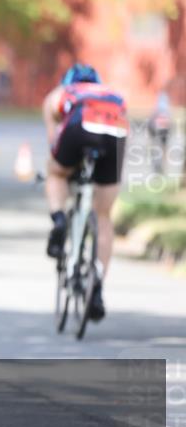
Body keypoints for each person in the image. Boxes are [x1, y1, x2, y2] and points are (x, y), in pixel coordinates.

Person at [43, 63, 128, 322]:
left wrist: (65, 167)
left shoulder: (62, 93)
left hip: (79, 124)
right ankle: (97, 287)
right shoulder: (112, 94)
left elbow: (53, 140)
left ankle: (59, 219)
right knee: (103, 215)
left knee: (55, 172)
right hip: (116, 131)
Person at [147, 91, 172, 173]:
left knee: (157, 147)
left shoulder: (158, 108)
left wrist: (151, 131)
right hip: (163, 130)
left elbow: (151, 120)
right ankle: (161, 165)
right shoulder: (166, 109)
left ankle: (158, 164)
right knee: (162, 148)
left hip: (158, 130)